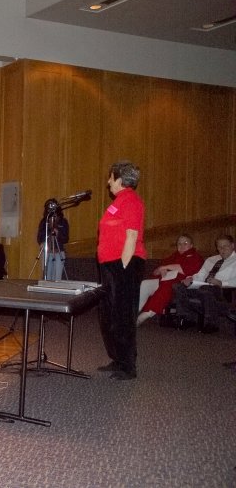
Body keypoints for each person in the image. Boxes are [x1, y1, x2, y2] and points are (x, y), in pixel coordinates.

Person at [96, 160, 146, 381]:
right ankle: (117, 358)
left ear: (120, 179)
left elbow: (132, 236)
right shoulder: (118, 202)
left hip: (123, 265)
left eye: (111, 177)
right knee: (109, 315)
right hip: (111, 265)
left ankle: (128, 366)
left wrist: (123, 269)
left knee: (123, 316)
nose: (108, 182)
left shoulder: (131, 201)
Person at [172, 235, 236, 332]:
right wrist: (190, 279)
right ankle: (188, 319)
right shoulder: (211, 260)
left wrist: (221, 282)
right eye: (219, 247)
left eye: (225, 246)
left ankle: (212, 323)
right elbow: (200, 275)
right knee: (179, 287)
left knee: (205, 289)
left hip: (223, 291)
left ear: (232, 246)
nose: (222, 249)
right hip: (203, 287)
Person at [136, 234, 204, 326]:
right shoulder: (173, 256)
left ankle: (144, 315)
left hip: (179, 285)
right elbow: (156, 272)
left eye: (185, 243)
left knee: (166, 285)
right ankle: (134, 312)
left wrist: (165, 267)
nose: (182, 246)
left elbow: (184, 269)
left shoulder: (196, 257)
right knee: (145, 283)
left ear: (191, 245)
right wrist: (161, 270)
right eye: (179, 244)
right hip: (163, 280)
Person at [36, 199, 69, 281]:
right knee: (46, 277)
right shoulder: (44, 222)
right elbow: (39, 238)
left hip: (59, 253)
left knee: (57, 279)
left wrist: (58, 233)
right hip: (47, 253)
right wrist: (48, 232)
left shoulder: (63, 221)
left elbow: (66, 239)